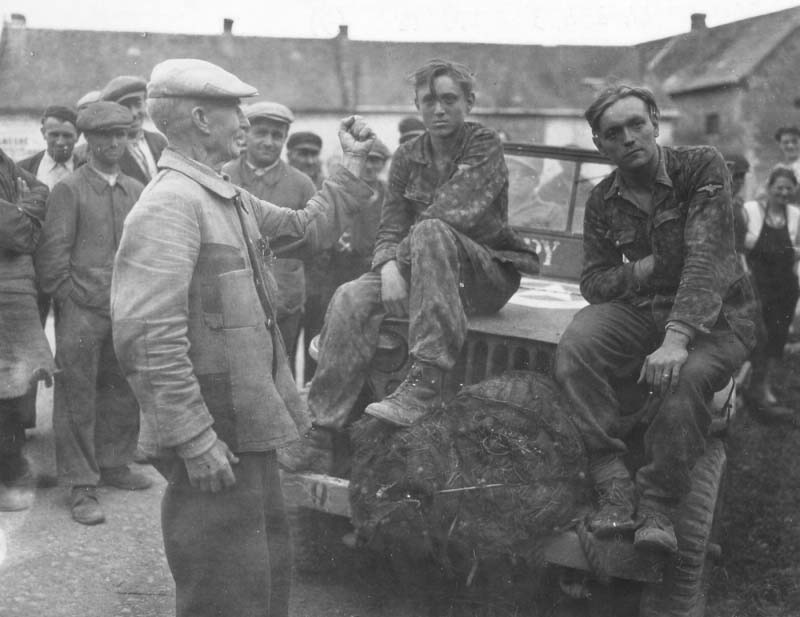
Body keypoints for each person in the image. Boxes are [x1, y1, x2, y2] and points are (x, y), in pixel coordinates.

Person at [110, 58, 375, 617]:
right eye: (236, 108)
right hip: (215, 437)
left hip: (245, 428)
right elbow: (147, 339)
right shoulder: (168, 206)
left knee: (260, 582)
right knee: (221, 592)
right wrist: (195, 440)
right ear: (203, 118)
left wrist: (350, 167)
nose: (246, 119)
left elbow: (307, 229)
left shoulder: (225, 196)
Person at [285, 59, 539, 471]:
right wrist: (386, 267)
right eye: (429, 101)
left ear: (469, 102)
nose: (439, 109)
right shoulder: (406, 156)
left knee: (432, 228)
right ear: (417, 106)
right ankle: (323, 430)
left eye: (449, 99)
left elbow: (452, 213)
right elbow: (390, 225)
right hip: (420, 268)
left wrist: (391, 264)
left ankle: (426, 381)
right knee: (349, 294)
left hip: (485, 274)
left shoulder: (484, 145)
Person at [553, 85, 757, 554]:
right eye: (612, 133)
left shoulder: (700, 166)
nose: (627, 138)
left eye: (636, 124)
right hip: (648, 307)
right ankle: (611, 480)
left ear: (655, 124)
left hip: (720, 317)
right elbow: (593, 282)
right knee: (576, 348)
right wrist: (643, 269)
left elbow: (707, 258)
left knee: (684, 383)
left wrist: (676, 339)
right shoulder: (603, 199)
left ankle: (659, 506)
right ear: (600, 146)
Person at [35, 101, 151, 526]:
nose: (115, 143)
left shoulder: (136, 189)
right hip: (82, 311)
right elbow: (52, 257)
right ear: (90, 139)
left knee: (122, 389)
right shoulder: (71, 189)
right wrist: (69, 300)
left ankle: (115, 462)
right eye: (105, 136)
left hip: (126, 309)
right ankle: (81, 484)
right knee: (76, 396)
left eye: (122, 135)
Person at [222, 101, 317, 368]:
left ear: (285, 139)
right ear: (244, 134)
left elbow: (312, 242)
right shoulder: (224, 176)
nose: (268, 141)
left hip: (283, 301)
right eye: (261, 132)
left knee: (280, 372)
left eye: (277, 135)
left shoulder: (301, 184)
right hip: (232, 301)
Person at [0, 148, 54, 511]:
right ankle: (9, 476)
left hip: (16, 289)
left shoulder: (3, 161)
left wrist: (23, 206)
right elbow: (16, 235)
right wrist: (23, 211)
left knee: (18, 381)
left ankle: (14, 467)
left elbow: (43, 189)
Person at [743, 167, 800, 418]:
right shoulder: (751, 211)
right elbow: (742, 248)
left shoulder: (796, 215)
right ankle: (745, 385)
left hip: (785, 287)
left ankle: (762, 386)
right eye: (780, 187)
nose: (784, 192)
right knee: (756, 336)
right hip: (757, 286)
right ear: (769, 188)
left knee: (776, 338)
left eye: (789, 188)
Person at [330, 137, 391, 286]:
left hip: (378, 269)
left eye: (375, 160)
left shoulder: (390, 195)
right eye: (364, 160)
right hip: (342, 269)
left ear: (383, 164)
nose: (369, 166)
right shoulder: (339, 192)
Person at [100, 75, 168, 184]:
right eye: (126, 107)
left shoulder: (159, 141)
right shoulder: (108, 149)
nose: (134, 113)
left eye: (138, 104)